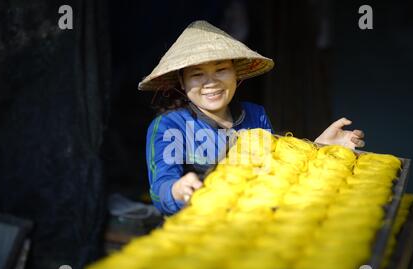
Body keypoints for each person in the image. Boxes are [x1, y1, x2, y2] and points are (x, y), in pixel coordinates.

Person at [139, 20, 365, 215]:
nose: (211, 83)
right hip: (197, 234)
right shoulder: (169, 127)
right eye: (197, 74)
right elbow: (160, 190)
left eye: (221, 70)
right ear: (182, 82)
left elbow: (277, 169)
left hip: (254, 223)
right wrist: (176, 190)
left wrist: (321, 148)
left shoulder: (255, 114)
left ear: (236, 73)